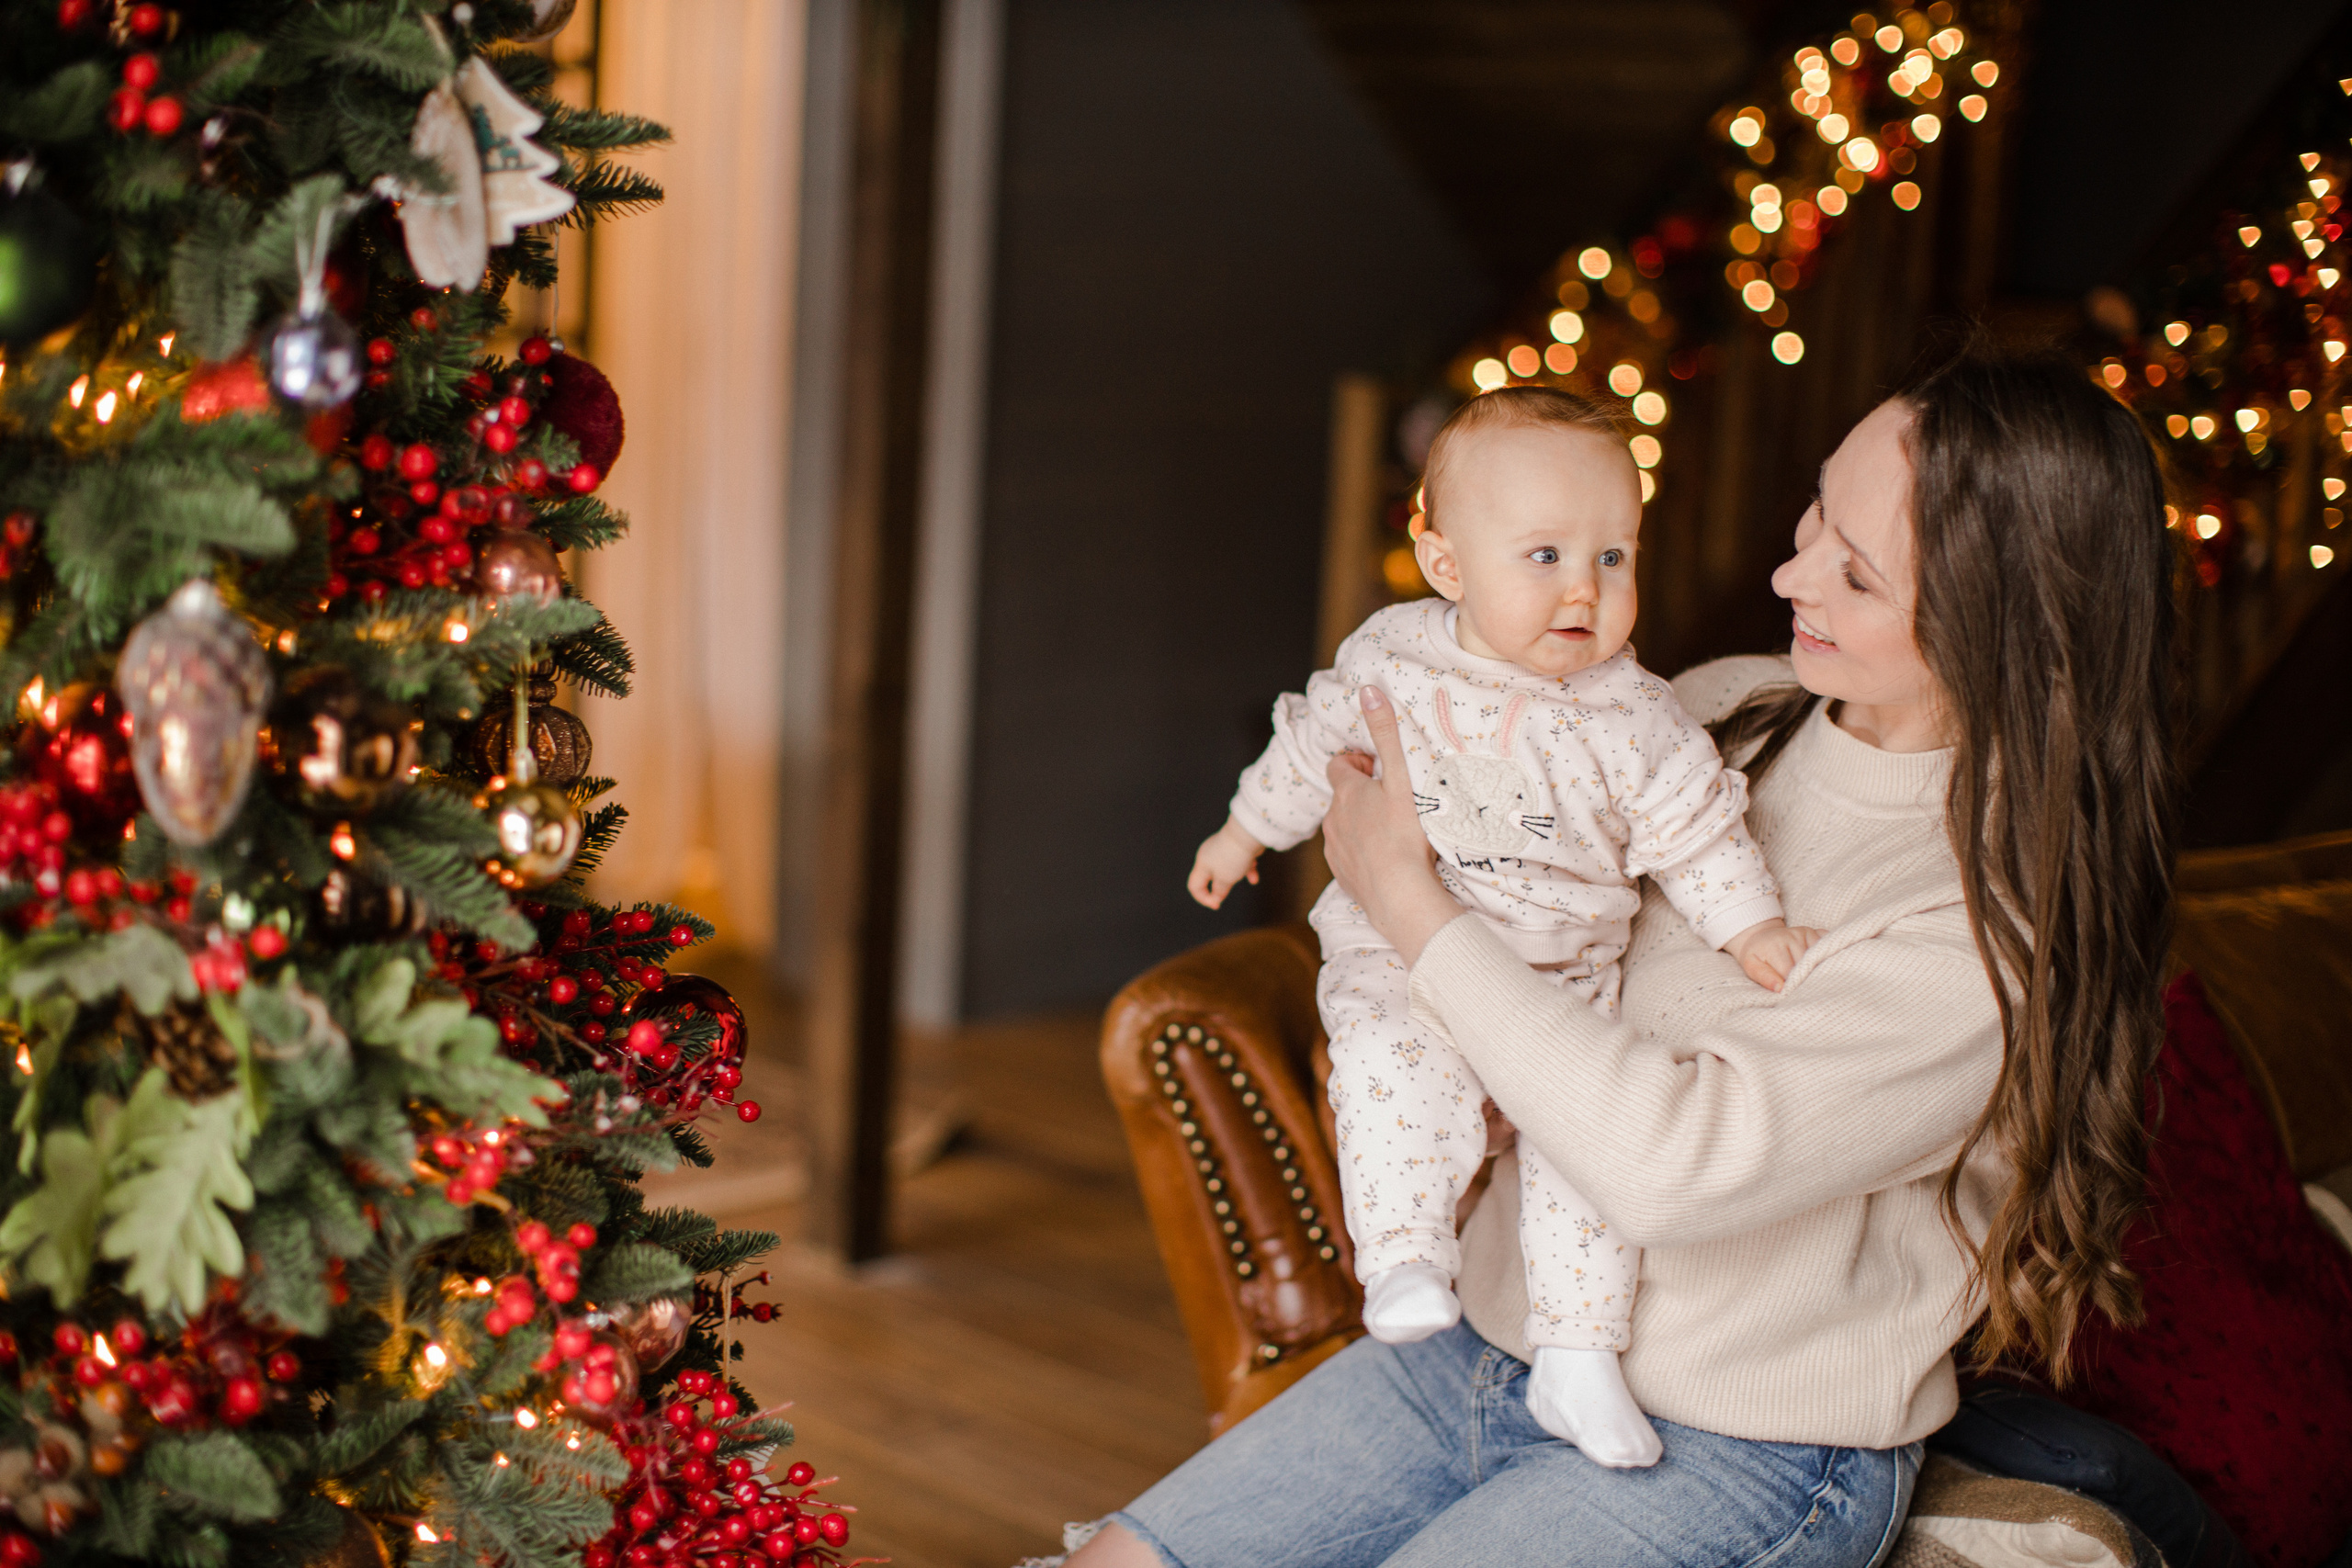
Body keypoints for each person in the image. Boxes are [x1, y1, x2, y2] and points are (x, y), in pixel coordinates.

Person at [1066, 348, 2178, 1568]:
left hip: (1740, 1442)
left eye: (1854, 573)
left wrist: (1404, 895)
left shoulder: (1988, 929)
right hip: (1479, 1348)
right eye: (1816, 511)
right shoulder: (1710, 709)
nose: (1787, 571)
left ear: (1994, 620)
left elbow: (1665, 1163)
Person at [1186, 387, 1815, 1468]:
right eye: (1544, 557)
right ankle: (1403, 1256)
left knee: (1588, 1159)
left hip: (1561, 983)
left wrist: (1751, 927)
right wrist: (1246, 830)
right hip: (1403, 965)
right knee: (1387, 1070)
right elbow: (1311, 745)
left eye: (1612, 558)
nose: (1583, 589)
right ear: (1446, 568)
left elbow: (1696, 831)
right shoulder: (1394, 663)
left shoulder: (1637, 716)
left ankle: (1578, 1355)